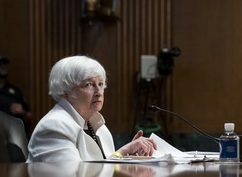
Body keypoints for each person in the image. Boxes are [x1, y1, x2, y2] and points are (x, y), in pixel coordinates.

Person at [27, 55, 157, 162]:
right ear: (64, 91)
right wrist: (122, 152)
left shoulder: (98, 127)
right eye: (88, 85)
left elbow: (105, 172)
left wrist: (129, 156)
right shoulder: (54, 126)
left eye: (100, 84)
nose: (98, 92)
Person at [0, 54, 33, 136]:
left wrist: (22, 112)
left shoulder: (15, 91)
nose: (3, 66)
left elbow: (29, 116)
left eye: (4, 64)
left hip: (14, 134)